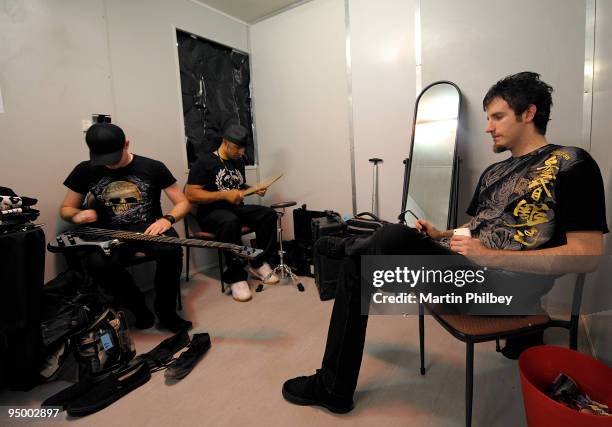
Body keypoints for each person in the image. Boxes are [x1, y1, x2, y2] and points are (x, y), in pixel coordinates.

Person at [282, 72, 608, 413]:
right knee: (381, 245)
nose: (488, 127)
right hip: (469, 273)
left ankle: (333, 377)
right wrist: (441, 235)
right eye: (487, 118)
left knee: (385, 241)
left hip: (506, 289)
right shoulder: (494, 173)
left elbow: (587, 255)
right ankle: (335, 383)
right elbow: (479, 226)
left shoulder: (572, 164)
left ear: (529, 113)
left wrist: (491, 257)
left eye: (498, 117)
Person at [60, 123, 192, 333]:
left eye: (114, 158)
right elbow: (65, 208)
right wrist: (76, 215)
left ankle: (166, 311)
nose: (110, 166)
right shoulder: (84, 170)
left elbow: (183, 203)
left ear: (126, 144)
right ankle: (138, 307)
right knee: (97, 263)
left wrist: (167, 219)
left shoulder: (153, 167)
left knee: (171, 250)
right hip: (110, 232)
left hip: (150, 227)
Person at [185, 124, 279, 302]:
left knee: (268, 214)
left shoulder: (237, 161)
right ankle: (236, 277)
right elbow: (191, 194)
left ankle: (257, 262)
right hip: (211, 212)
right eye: (238, 148)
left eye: (244, 148)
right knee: (230, 221)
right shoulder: (204, 163)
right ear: (225, 142)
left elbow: (236, 184)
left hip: (235, 208)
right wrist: (223, 195)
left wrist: (253, 189)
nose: (242, 152)